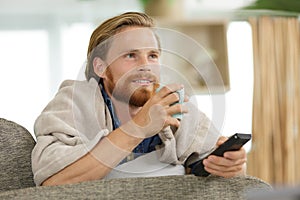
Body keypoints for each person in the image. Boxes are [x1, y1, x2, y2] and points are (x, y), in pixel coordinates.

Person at [32, 12, 247, 186]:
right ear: (101, 67)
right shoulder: (74, 102)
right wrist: (138, 128)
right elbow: (53, 182)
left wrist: (233, 166)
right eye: (130, 55)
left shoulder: (176, 106)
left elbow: (222, 167)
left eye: (152, 55)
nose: (145, 65)